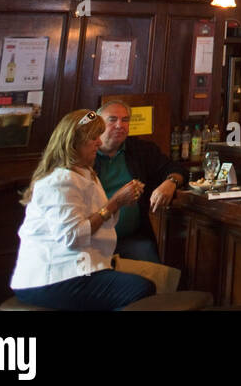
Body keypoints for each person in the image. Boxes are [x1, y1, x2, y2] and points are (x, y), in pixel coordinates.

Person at [10, 109, 155, 310]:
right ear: (73, 142)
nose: (99, 142)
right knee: (141, 288)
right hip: (51, 276)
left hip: (78, 268)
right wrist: (114, 203)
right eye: (93, 137)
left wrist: (121, 202)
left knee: (144, 282)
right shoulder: (60, 180)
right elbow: (72, 236)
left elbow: (103, 220)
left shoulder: (85, 172)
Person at [93, 100, 186, 263]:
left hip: (131, 238)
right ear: (98, 124)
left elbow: (175, 168)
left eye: (125, 120)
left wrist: (170, 182)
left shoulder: (141, 150)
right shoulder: (86, 152)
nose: (119, 125)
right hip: (93, 239)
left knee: (153, 275)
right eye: (112, 120)